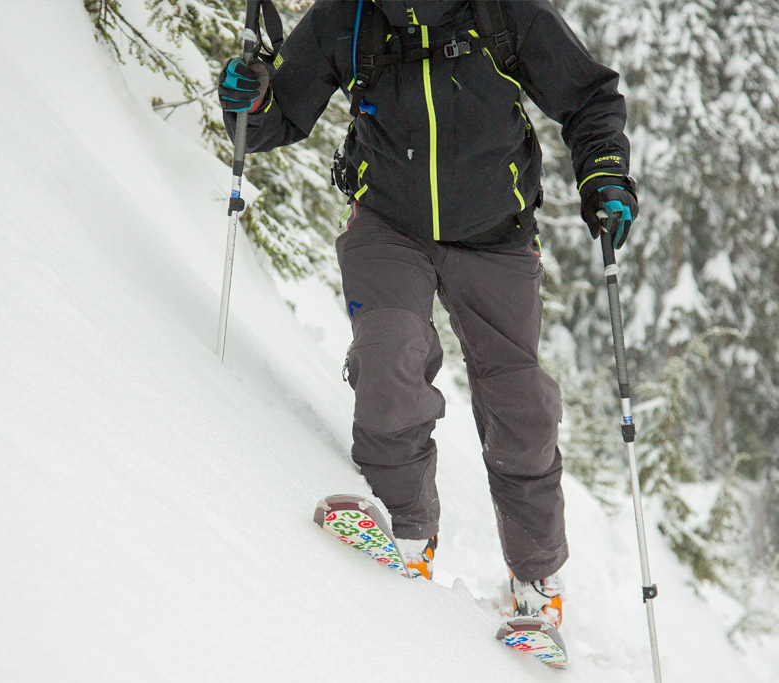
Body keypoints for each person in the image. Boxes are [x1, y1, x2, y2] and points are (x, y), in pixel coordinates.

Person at [218, 0, 637, 629]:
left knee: (520, 405)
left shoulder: (505, 11)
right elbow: (279, 118)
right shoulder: (351, 16)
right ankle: (404, 532)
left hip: (497, 234)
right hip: (388, 222)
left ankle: (537, 580)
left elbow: (589, 97)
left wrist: (604, 173)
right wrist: (250, 101)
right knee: (390, 351)